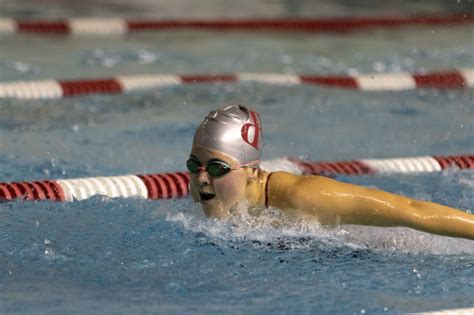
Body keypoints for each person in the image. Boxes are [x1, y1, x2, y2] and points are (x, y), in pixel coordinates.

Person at [187, 104, 474, 240]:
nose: (201, 179)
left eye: (216, 168)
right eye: (194, 165)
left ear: (252, 170)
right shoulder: (216, 206)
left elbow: (411, 210)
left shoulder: (305, 197)